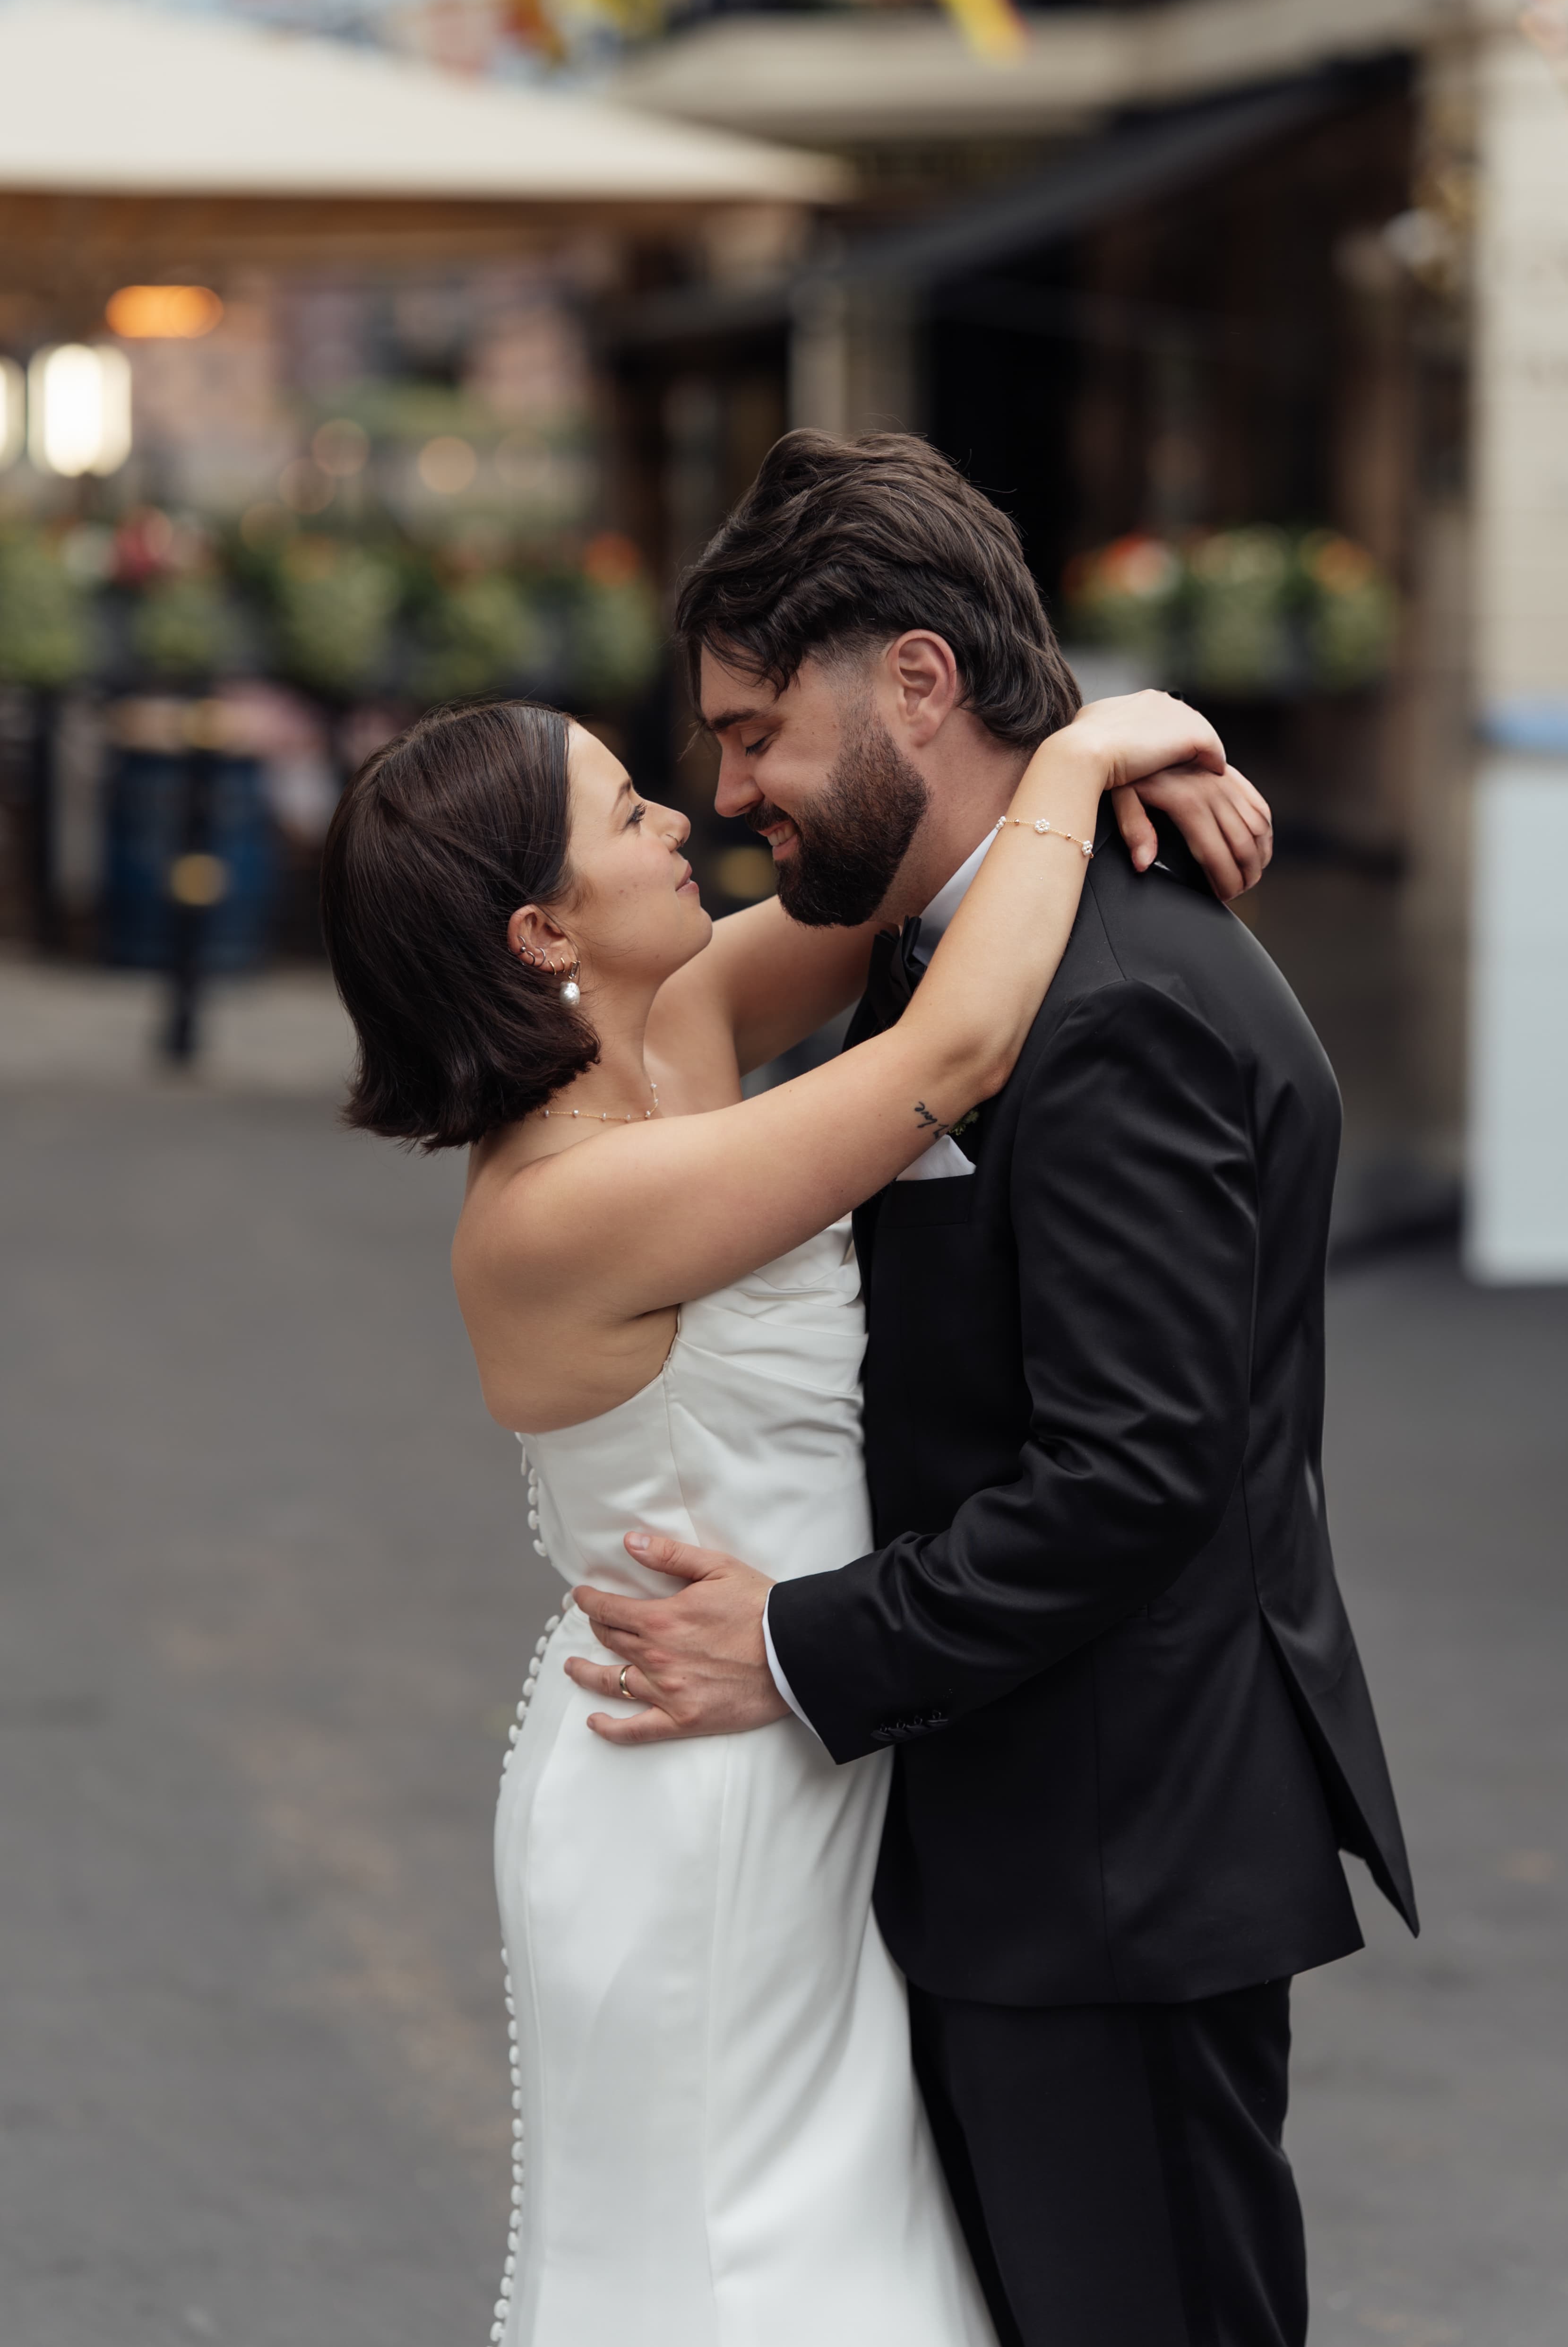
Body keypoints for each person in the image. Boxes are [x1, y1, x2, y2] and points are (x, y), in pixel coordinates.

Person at [568, 431, 1418, 2347]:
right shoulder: (963, 944)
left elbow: (1134, 1474)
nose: (727, 791)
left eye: (754, 730)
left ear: (919, 683)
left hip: (1107, 1857)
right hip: (1033, 1842)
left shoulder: (1108, 998)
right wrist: (1097, 740)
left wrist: (791, 1645)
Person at [318, 668, 1261, 2347]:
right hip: (694, 1781)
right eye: (629, 815)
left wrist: (1051, 763)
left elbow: (905, 876)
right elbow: (954, 1044)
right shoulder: (559, 1206)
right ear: (545, 933)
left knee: (848, 2237)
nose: (688, 814)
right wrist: (1091, 745)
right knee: (735, 2261)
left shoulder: (672, 1025)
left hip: (806, 1720)